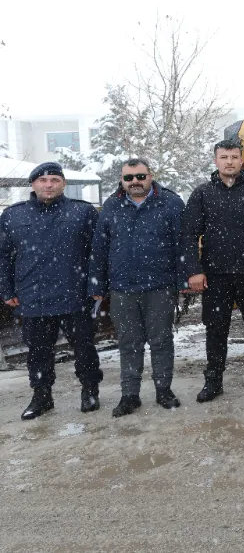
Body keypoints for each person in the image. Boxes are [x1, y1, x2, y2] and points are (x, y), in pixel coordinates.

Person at [182, 139, 244, 401]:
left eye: (234, 157)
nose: (229, 162)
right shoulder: (203, 194)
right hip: (215, 276)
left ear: (242, 161)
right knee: (216, 330)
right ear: (216, 161)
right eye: (224, 157)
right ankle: (213, 380)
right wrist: (194, 270)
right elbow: (189, 234)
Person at [0, 162, 103, 420]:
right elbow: (3, 257)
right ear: (33, 184)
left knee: (84, 348)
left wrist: (96, 285)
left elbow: (98, 254)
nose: (49, 185)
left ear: (64, 184)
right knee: (38, 352)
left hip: (75, 294)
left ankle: (90, 390)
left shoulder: (82, 212)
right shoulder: (13, 216)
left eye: (55, 180)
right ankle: (41, 396)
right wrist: (6, 288)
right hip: (32, 296)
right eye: (43, 180)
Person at [89, 159, 187, 417]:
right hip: (122, 288)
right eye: (129, 177)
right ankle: (129, 395)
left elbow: (183, 244)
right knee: (129, 343)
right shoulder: (111, 206)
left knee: (161, 341)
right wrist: (97, 282)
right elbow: (100, 247)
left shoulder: (170, 203)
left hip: (160, 286)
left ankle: (163, 390)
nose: (135, 181)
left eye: (140, 176)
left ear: (151, 176)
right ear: (122, 180)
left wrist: (184, 279)